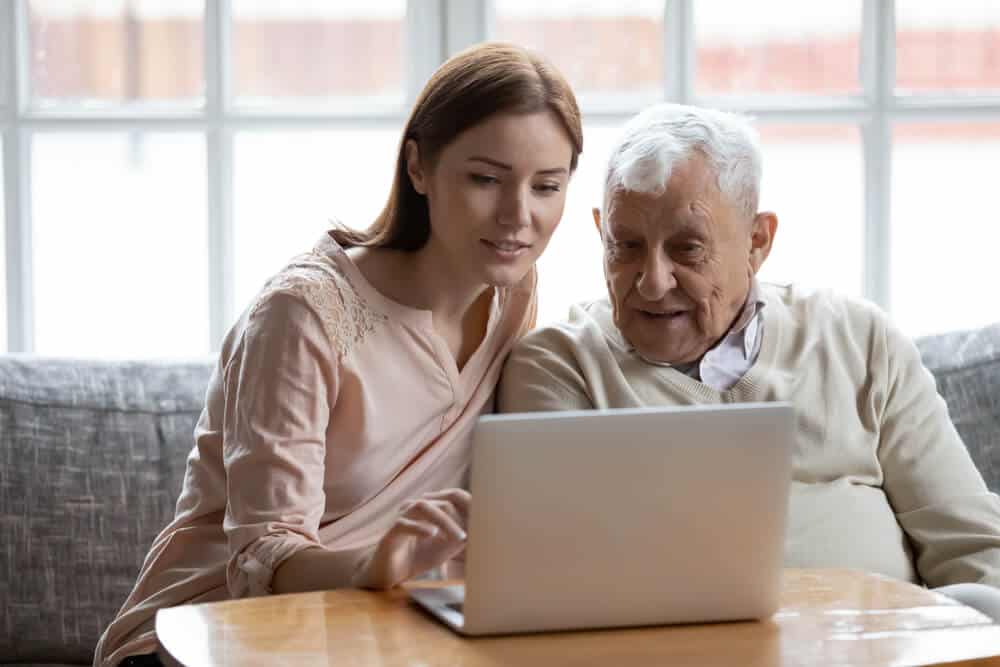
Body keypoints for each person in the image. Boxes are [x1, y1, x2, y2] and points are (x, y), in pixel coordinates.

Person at [96, 42, 582, 666]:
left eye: (547, 186)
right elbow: (259, 557)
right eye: (485, 179)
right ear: (419, 168)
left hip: (371, 632)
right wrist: (374, 565)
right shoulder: (301, 316)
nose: (519, 216)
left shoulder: (513, 292)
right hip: (211, 634)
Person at [498, 103, 1000, 618]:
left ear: (757, 241)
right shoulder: (559, 368)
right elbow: (562, 583)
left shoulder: (860, 339)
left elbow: (974, 548)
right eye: (625, 245)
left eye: (687, 249)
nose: (652, 281)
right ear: (601, 231)